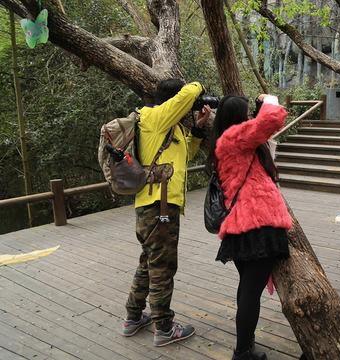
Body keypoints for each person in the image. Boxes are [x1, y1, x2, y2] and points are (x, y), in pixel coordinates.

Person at [122, 79, 211, 346]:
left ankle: (133, 317)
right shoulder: (152, 117)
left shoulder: (168, 126)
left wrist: (198, 127)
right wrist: (198, 86)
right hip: (158, 207)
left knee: (148, 263)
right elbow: (187, 93)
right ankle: (164, 328)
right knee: (162, 267)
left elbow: (186, 156)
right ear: (174, 101)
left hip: (156, 205)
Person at [211, 94, 291, 360]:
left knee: (246, 288)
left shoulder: (229, 140)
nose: (249, 118)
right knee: (250, 293)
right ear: (237, 117)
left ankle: (246, 345)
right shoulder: (235, 137)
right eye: (246, 114)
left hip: (242, 224)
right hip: (258, 223)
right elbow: (272, 117)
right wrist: (270, 98)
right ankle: (243, 352)